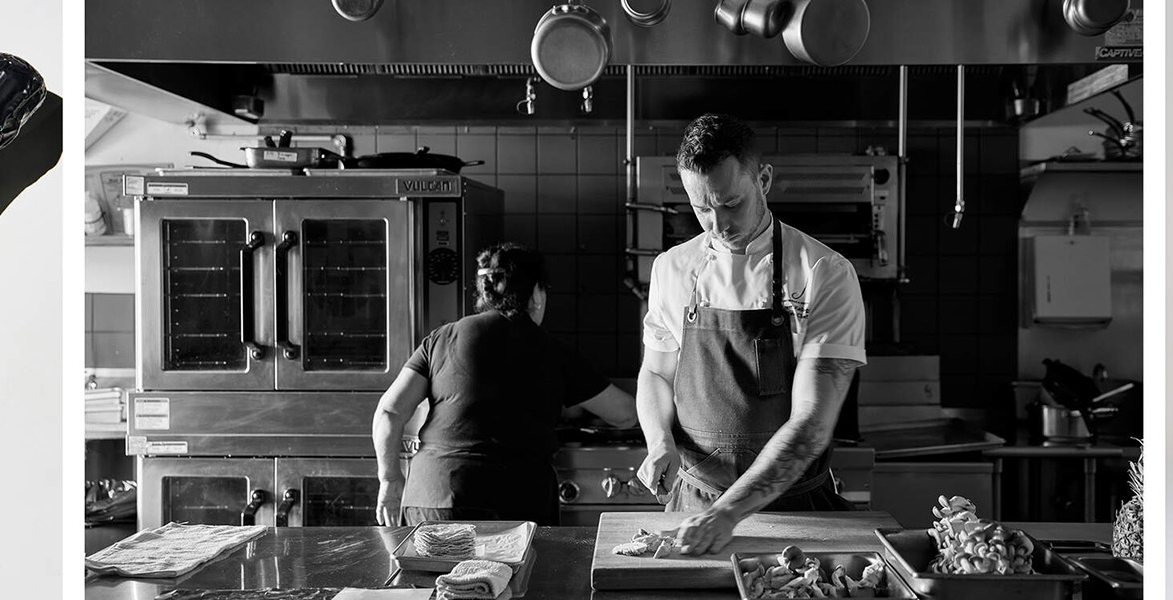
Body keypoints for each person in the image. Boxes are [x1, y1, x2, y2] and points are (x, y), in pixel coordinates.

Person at [632, 114, 870, 555]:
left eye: (730, 203)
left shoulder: (824, 272)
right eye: (701, 208)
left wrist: (729, 512)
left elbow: (812, 423)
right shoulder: (672, 269)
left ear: (764, 179)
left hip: (793, 512)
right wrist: (659, 441)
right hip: (692, 506)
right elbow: (656, 374)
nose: (717, 224)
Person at [371, 243, 637, 527]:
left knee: (434, 571)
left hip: (433, 498)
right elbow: (624, 414)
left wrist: (389, 480)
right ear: (536, 294)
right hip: (514, 502)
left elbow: (389, 412)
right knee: (511, 574)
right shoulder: (552, 350)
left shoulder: (440, 339)